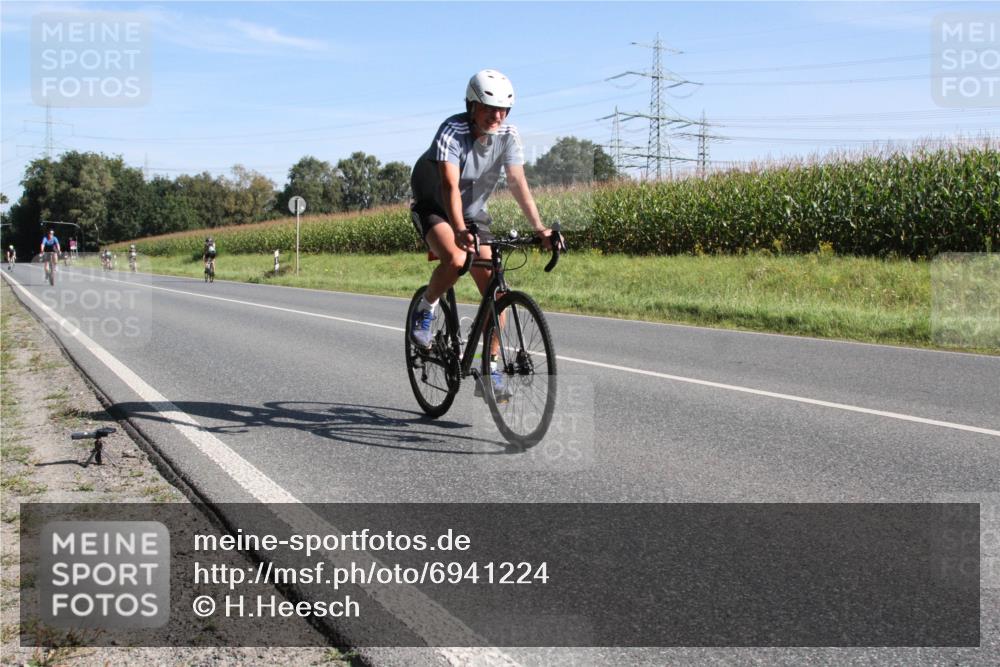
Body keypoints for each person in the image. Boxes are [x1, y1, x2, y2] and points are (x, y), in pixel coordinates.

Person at [408, 69, 559, 397]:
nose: (498, 116)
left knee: (498, 299)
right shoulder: (452, 130)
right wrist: (459, 230)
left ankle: (487, 368)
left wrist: (541, 228)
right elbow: (449, 184)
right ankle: (427, 306)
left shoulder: (508, 135)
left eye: (504, 110)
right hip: (435, 204)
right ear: (471, 106)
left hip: (473, 213)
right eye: (490, 108)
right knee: (456, 258)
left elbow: (518, 182)